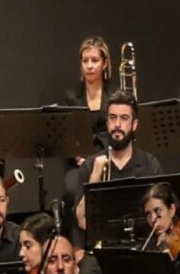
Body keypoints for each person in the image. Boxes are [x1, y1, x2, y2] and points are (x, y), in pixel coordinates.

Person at [65, 89, 160, 242]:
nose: (117, 124)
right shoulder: (90, 165)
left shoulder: (150, 164)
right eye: (113, 118)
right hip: (102, 246)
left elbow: (160, 215)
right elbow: (81, 220)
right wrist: (95, 177)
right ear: (107, 122)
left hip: (142, 244)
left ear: (134, 124)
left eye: (124, 118)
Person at [62, 37, 115, 114]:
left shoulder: (115, 95)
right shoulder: (71, 97)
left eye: (95, 60)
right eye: (85, 61)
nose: (89, 66)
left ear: (104, 64)